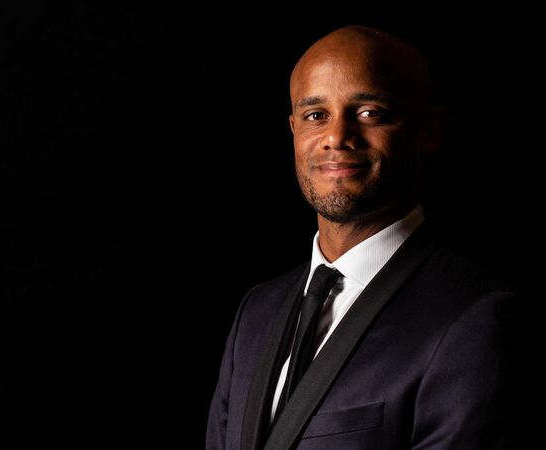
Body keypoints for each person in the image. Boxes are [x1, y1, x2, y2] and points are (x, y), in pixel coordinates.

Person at [206, 25, 520, 450]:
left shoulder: (473, 321)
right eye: (316, 115)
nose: (337, 136)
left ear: (428, 131)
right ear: (294, 130)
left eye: (370, 113)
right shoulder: (256, 313)